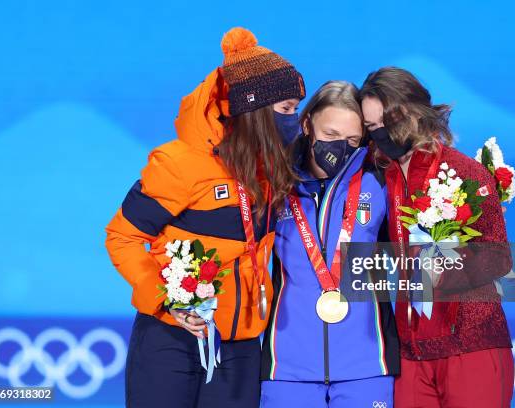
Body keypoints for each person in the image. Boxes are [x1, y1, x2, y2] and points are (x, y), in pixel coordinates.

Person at [104, 27, 305, 408]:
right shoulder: (179, 164)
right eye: (286, 110)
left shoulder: (274, 168)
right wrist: (165, 301)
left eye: (296, 108)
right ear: (253, 110)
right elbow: (121, 237)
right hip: (171, 340)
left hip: (242, 348)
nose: (294, 121)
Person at [360, 67, 514, 408]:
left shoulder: (464, 171)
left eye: (389, 120)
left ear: (416, 111)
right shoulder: (381, 178)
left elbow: (499, 256)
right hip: (410, 351)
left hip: (471, 343)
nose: (383, 133)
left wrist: (443, 274)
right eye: (372, 128)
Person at [260, 81, 400, 408]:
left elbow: (419, 262)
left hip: (367, 365)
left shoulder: (379, 181)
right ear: (307, 124)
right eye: (331, 136)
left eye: (352, 140)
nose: (341, 148)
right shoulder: (276, 184)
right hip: (287, 368)